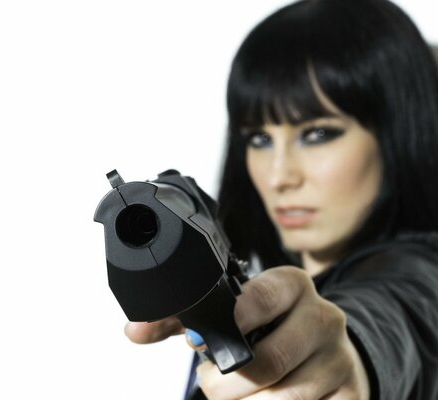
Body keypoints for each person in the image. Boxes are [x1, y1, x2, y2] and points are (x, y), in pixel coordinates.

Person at [124, 0, 438, 399]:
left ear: (397, 136)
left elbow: (400, 314)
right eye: (260, 138)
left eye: (318, 134)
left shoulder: (421, 275)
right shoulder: (244, 284)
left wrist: (352, 357)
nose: (278, 176)